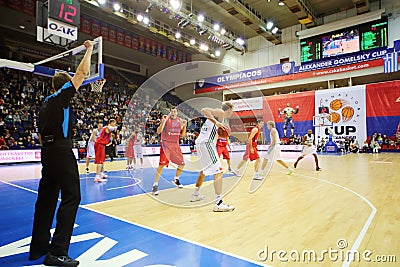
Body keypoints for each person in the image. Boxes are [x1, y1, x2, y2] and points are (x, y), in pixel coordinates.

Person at [29, 40, 93, 267]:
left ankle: (38, 247)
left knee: (46, 199)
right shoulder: (61, 97)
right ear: (65, 87)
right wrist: (89, 50)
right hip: (61, 151)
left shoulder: (44, 104)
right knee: (72, 197)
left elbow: (39, 136)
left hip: (47, 153)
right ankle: (57, 252)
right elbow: (83, 72)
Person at [191, 102, 235, 212]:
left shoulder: (219, 117)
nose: (232, 113)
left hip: (201, 143)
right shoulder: (220, 113)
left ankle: (195, 194)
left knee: (204, 171)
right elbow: (204, 109)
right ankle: (218, 202)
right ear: (228, 109)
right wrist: (217, 123)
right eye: (232, 110)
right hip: (206, 143)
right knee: (219, 171)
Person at [152, 106, 187, 195]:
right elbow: (158, 131)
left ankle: (176, 179)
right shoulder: (166, 119)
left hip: (175, 145)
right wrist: (163, 122)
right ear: (170, 112)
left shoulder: (180, 121)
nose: (173, 113)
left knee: (182, 164)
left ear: (177, 113)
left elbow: (182, 135)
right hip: (166, 144)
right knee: (161, 165)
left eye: (174, 111)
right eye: (171, 111)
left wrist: (185, 125)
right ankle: (155, 185)